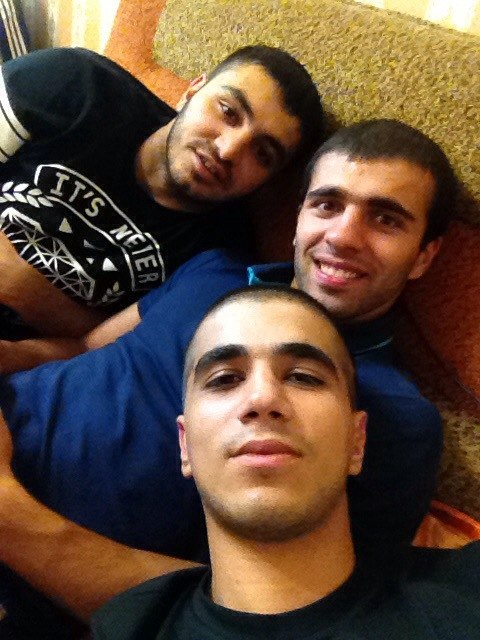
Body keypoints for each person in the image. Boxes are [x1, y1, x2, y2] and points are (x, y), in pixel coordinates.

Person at [0, 120, 456, 635]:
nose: (343, 236)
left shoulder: (394, 419)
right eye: (327, 205)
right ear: (299, 217)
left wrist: (9, 512)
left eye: (386, 220)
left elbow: (268, 610)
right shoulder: (214, 269)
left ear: (424, 255)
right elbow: (84, 347)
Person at [90, 286, 480, 640]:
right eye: (224, 379)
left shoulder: (466, 589)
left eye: (303, 377)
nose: (262, 399)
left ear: (356, 441)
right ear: (185, 444)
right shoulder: (129, 625)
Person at [0, 44, 323, 339]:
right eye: (228, 111)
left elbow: (115, 348)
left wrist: (28, 289)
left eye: (262, 154)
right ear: (194, 90)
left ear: (267, 181)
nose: (228, 150)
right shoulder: (75, 83)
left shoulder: (219, 259)